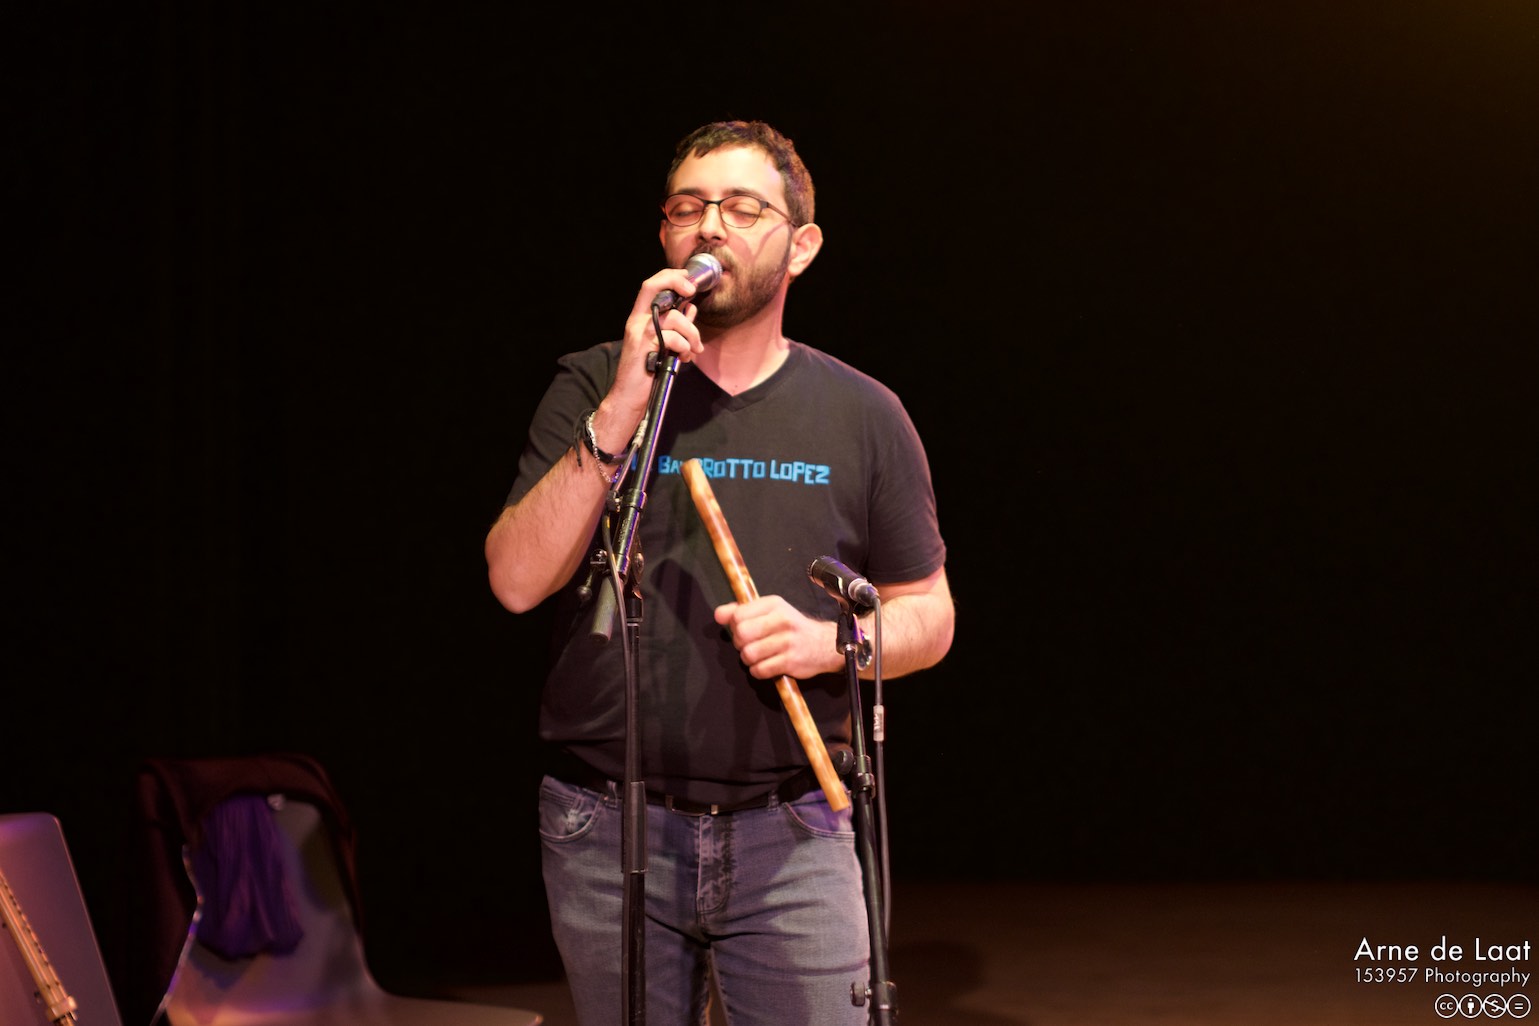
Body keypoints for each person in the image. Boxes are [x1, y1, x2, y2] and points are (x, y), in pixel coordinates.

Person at [484, 119, 954, 1025]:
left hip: (795, 828)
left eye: (742, 208)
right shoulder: (594, 383)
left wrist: (828, 643)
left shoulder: (862, 413)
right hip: (606, 825)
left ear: (800, 246)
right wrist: (625, 400)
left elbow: (928, 615)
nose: (708, 226)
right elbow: (514, 580)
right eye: (686, 207)